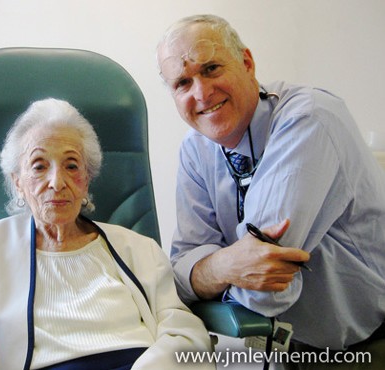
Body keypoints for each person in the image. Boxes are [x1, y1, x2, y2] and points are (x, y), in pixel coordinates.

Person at [0, 98, 214, 370]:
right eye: (39, 165)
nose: (57, 182)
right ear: (18, 182)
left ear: (87, 178)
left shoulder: (137, 248)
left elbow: (186, 332)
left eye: (72, 165)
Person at [157, 14, 385, 369]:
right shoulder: (195, 148)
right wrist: (226, 265)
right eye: (183, 82)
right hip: (269, 350)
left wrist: (210, 271)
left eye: (212, 68)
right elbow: (180, 272)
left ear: (246, 63)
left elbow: (263, 294)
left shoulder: (309, 118)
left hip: (359, 348)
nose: (201, 93)